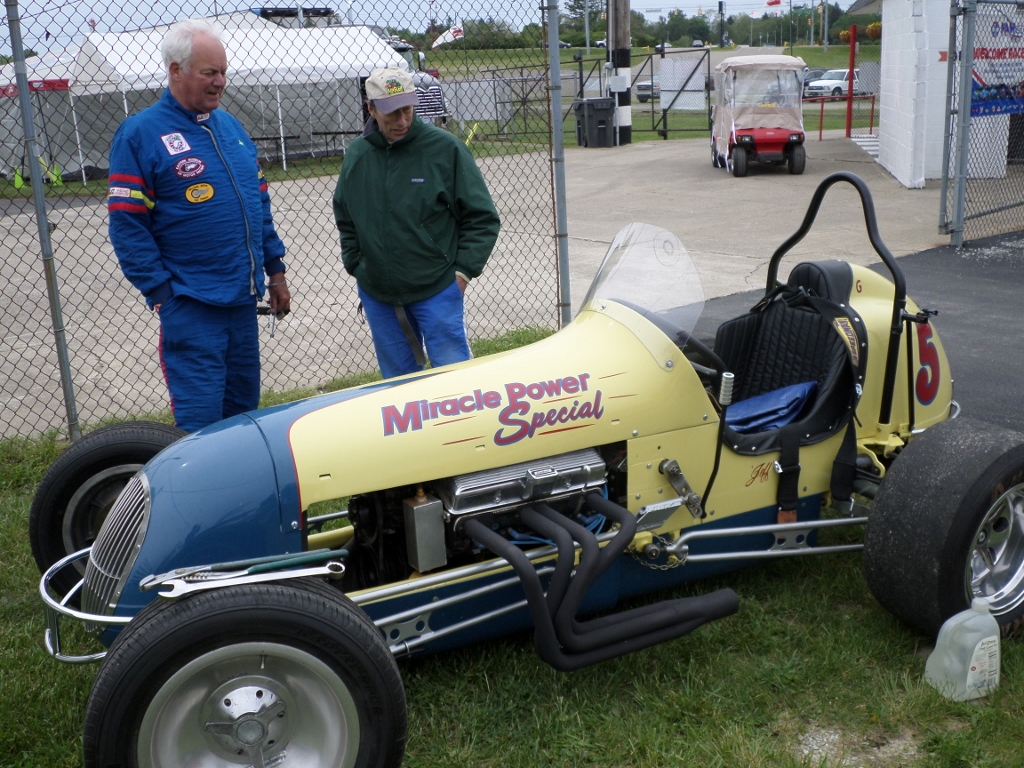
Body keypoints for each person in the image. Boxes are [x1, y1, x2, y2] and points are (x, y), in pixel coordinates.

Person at [107, 19, 291, 432]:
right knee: (200, 429)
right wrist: (163, 294)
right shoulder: (139, 134)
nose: (220, 82)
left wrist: (275, 273)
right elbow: (127, 226)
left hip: (242, 305)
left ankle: (240, 496)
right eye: (210, 72)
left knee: (244, 417)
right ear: (176, 70)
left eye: (223, 72)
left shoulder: (231, 128)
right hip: (191, 307)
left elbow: (259, 205)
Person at [333, 67, 500, 379]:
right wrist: (357, 263)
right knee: (399, 385)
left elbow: (482, 218)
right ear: (371, 109)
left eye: (407, 110)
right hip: (378, 292)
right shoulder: (357, 156)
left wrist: (462, 274)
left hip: (437, 288)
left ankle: (459, 429)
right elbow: (345, 215)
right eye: (391, 113)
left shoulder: (445, 150)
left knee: (453, 379)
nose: (402, 121)